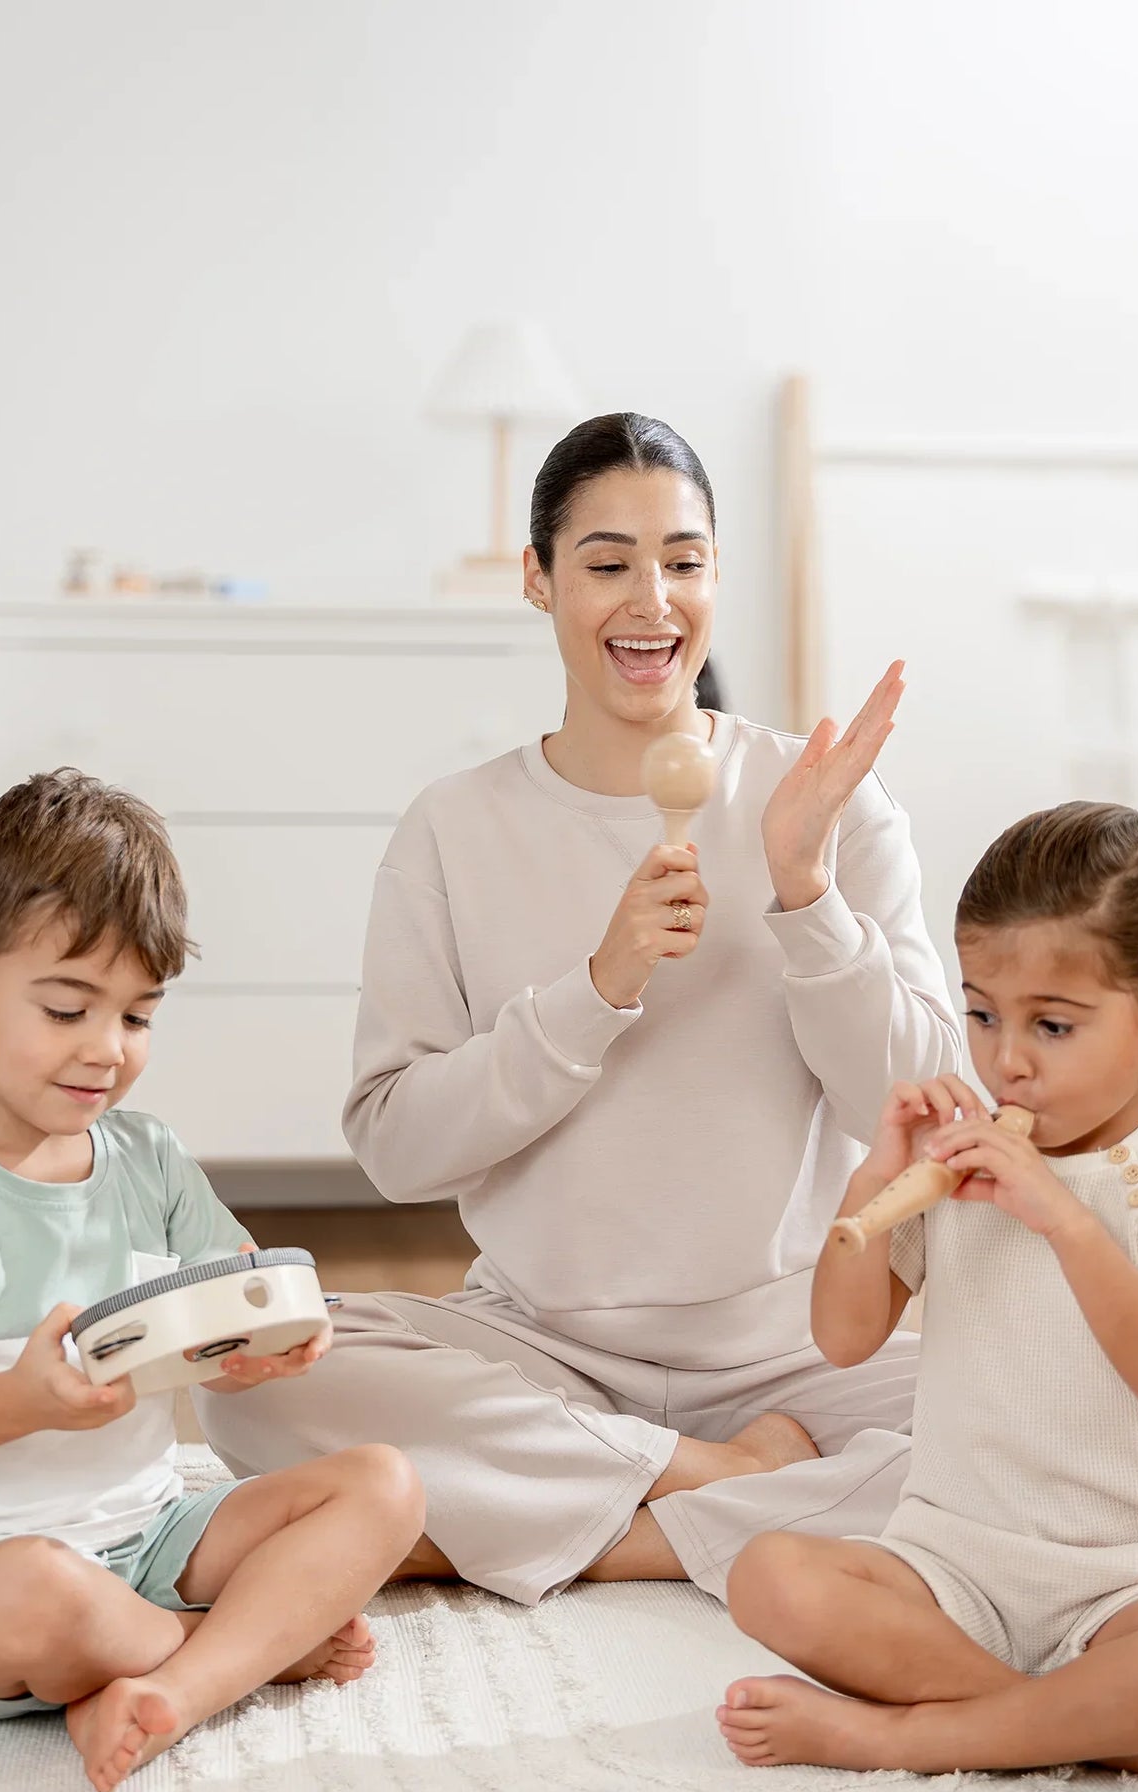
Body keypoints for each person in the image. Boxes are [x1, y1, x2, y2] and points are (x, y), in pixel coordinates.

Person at [198, 413, 961, 1602]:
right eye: (606, 562)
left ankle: (584, 1521)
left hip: (793, 1353)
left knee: (1041, 1403)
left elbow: (920, 1103)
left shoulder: (823, 806)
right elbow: (396, 1144)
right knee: (259, 1381)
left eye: (683, 561)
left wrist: (807, 898)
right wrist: (593, 991)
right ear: (539, 580)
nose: (649, 600)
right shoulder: (454, 826)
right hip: (540, 1349)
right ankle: (722, 1487)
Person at [0, 769, 424, 1792]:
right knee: (38, 1591)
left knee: (384, 1485)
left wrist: (255, 1346)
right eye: (66, 1007)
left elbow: (220, 1309)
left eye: (138, 1016)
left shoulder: (147, 1160)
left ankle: (168, 1684)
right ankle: (237, 1648)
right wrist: (18, 1399)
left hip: (146, 1536)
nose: (107, 1049)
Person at [719, 802, 1138, 1786]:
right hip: (951, 1567)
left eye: (1052, 1024)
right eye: (981, 1011)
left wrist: (1062, 1217)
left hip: (1134, 1580)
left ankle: (911, 1734)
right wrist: (872, 1181)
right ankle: (1106, 1732)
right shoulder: (954, 1159)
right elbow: (844, 1334)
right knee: (766, 1572)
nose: (1006, 1057)